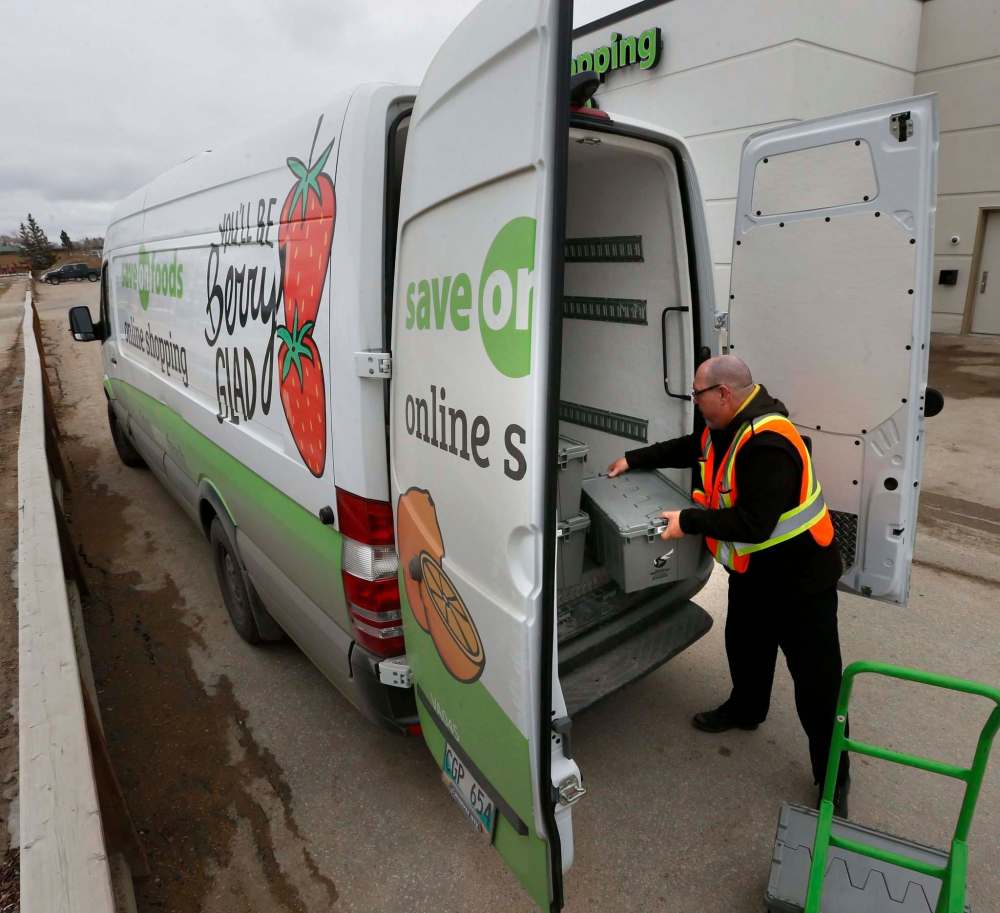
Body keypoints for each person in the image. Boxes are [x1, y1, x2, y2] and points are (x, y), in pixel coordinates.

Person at [607, 355, 851, 816]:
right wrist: (632, 459)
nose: (693, 401)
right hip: (755, 575)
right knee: (745, 647)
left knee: (818, 686)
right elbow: (688, 447)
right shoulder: (725, 425)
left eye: (698, 394)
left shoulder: (768, 442)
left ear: (723, 393)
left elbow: (754, 523)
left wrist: (689, 522)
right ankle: (746, 709)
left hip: (801, 583)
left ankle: (834, 775)